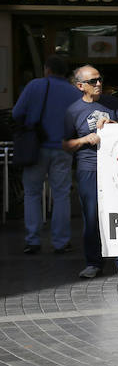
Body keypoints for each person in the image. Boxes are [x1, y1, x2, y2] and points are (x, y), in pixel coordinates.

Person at [62, 66, 118, 278]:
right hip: (88, 168)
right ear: (80, 86)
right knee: (91, 217)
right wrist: (84, 139)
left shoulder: (112, 103)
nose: (99, 84)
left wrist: (113, 125)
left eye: (100, 79)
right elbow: (65, 144)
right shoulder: (72, 111)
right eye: (93, 81)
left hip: (114, 167)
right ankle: (94, 262)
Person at [13, 55, 81, 255]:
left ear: (47, 70)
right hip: (63, 148)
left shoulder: (35, 86)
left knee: (32, 194)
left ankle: (32, 240)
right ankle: (61, 242)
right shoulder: (73, 92)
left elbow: (17, 113)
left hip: (36, 148)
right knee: (61, 195)